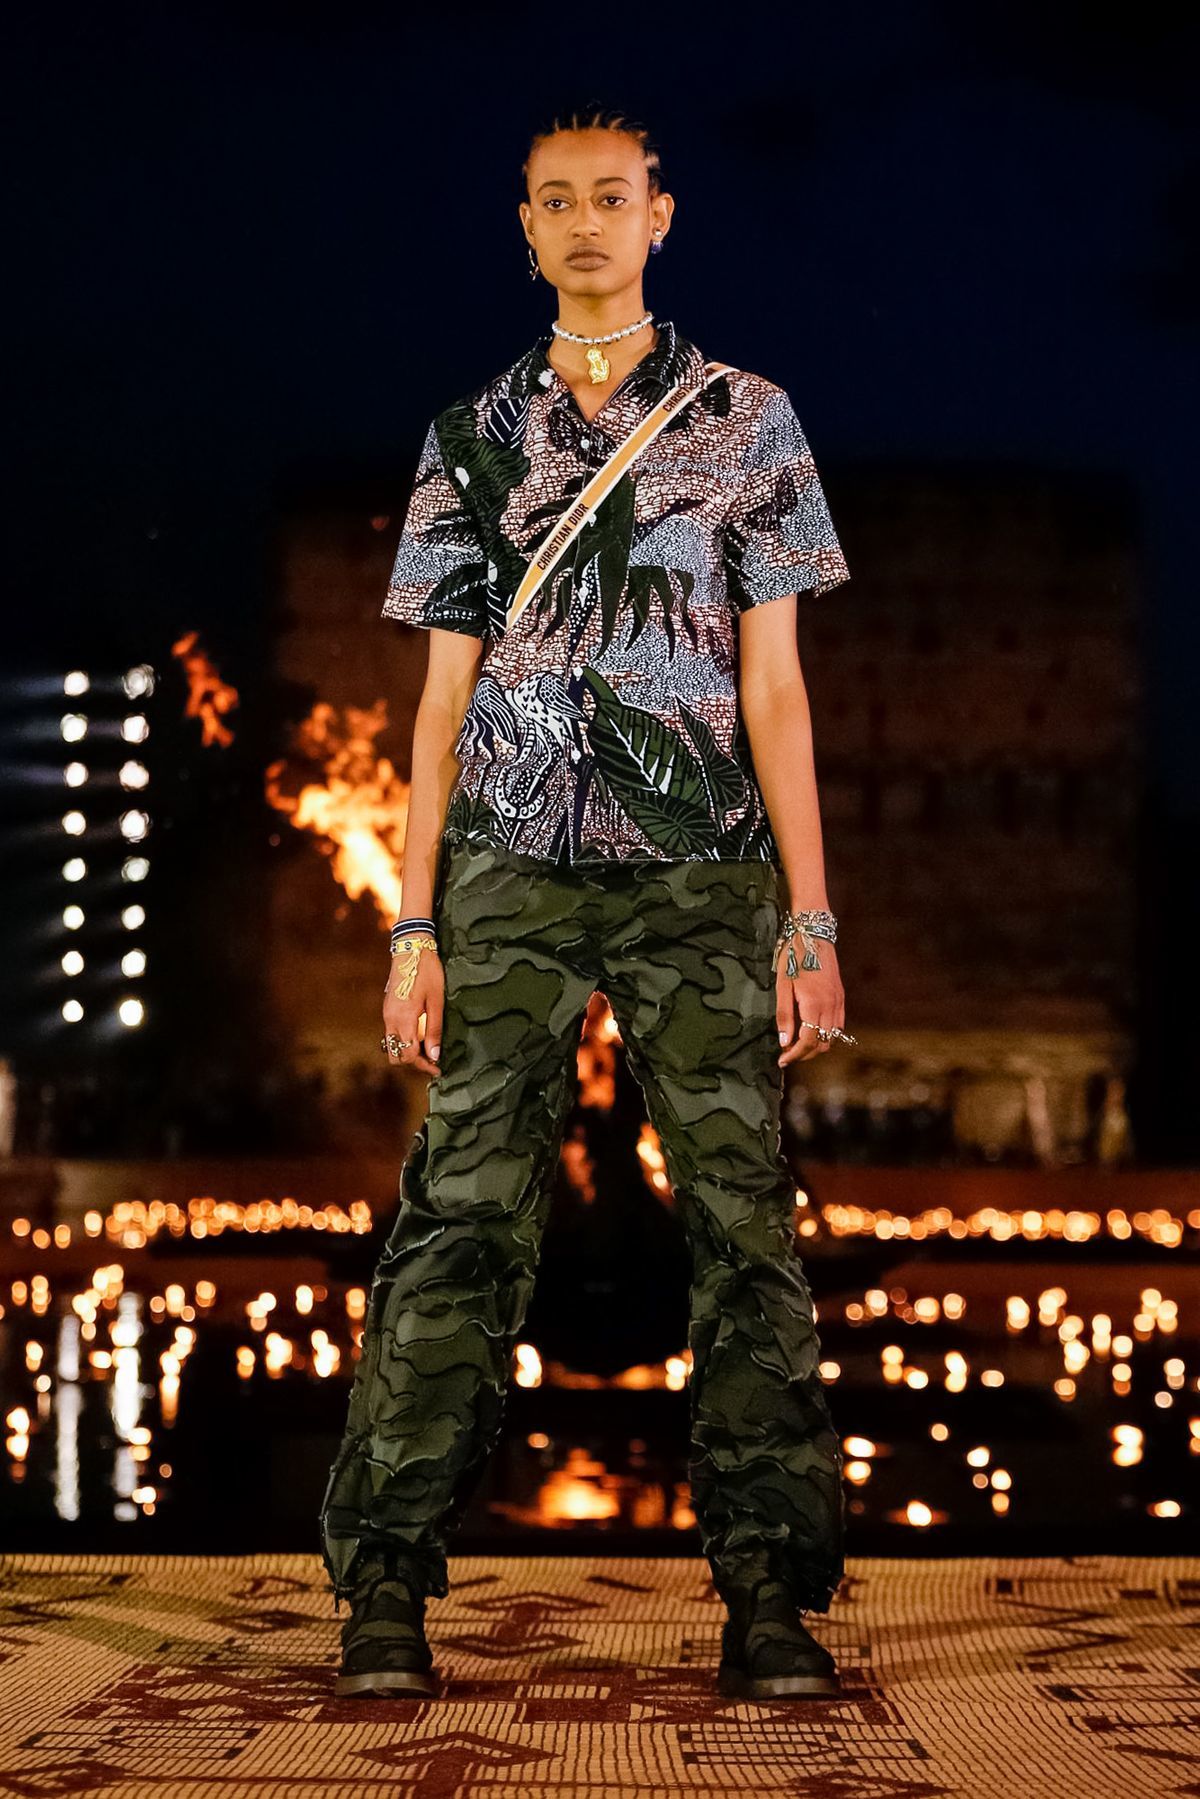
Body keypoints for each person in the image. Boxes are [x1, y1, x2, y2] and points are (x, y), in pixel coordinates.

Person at [319, 101, 856, 1704]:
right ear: (526, 226)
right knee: (459, 1217)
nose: (584, 223)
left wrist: (811, 918)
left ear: (660, 216)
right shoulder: (471, 434)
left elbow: (777, 691)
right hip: (508, 866)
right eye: (555, 200)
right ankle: (387, 1585)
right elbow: (436, 706)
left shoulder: (748, 421)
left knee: (741, 1218)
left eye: (610, 197)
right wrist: (412, 926)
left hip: (701, 869)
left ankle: (771, 1594)